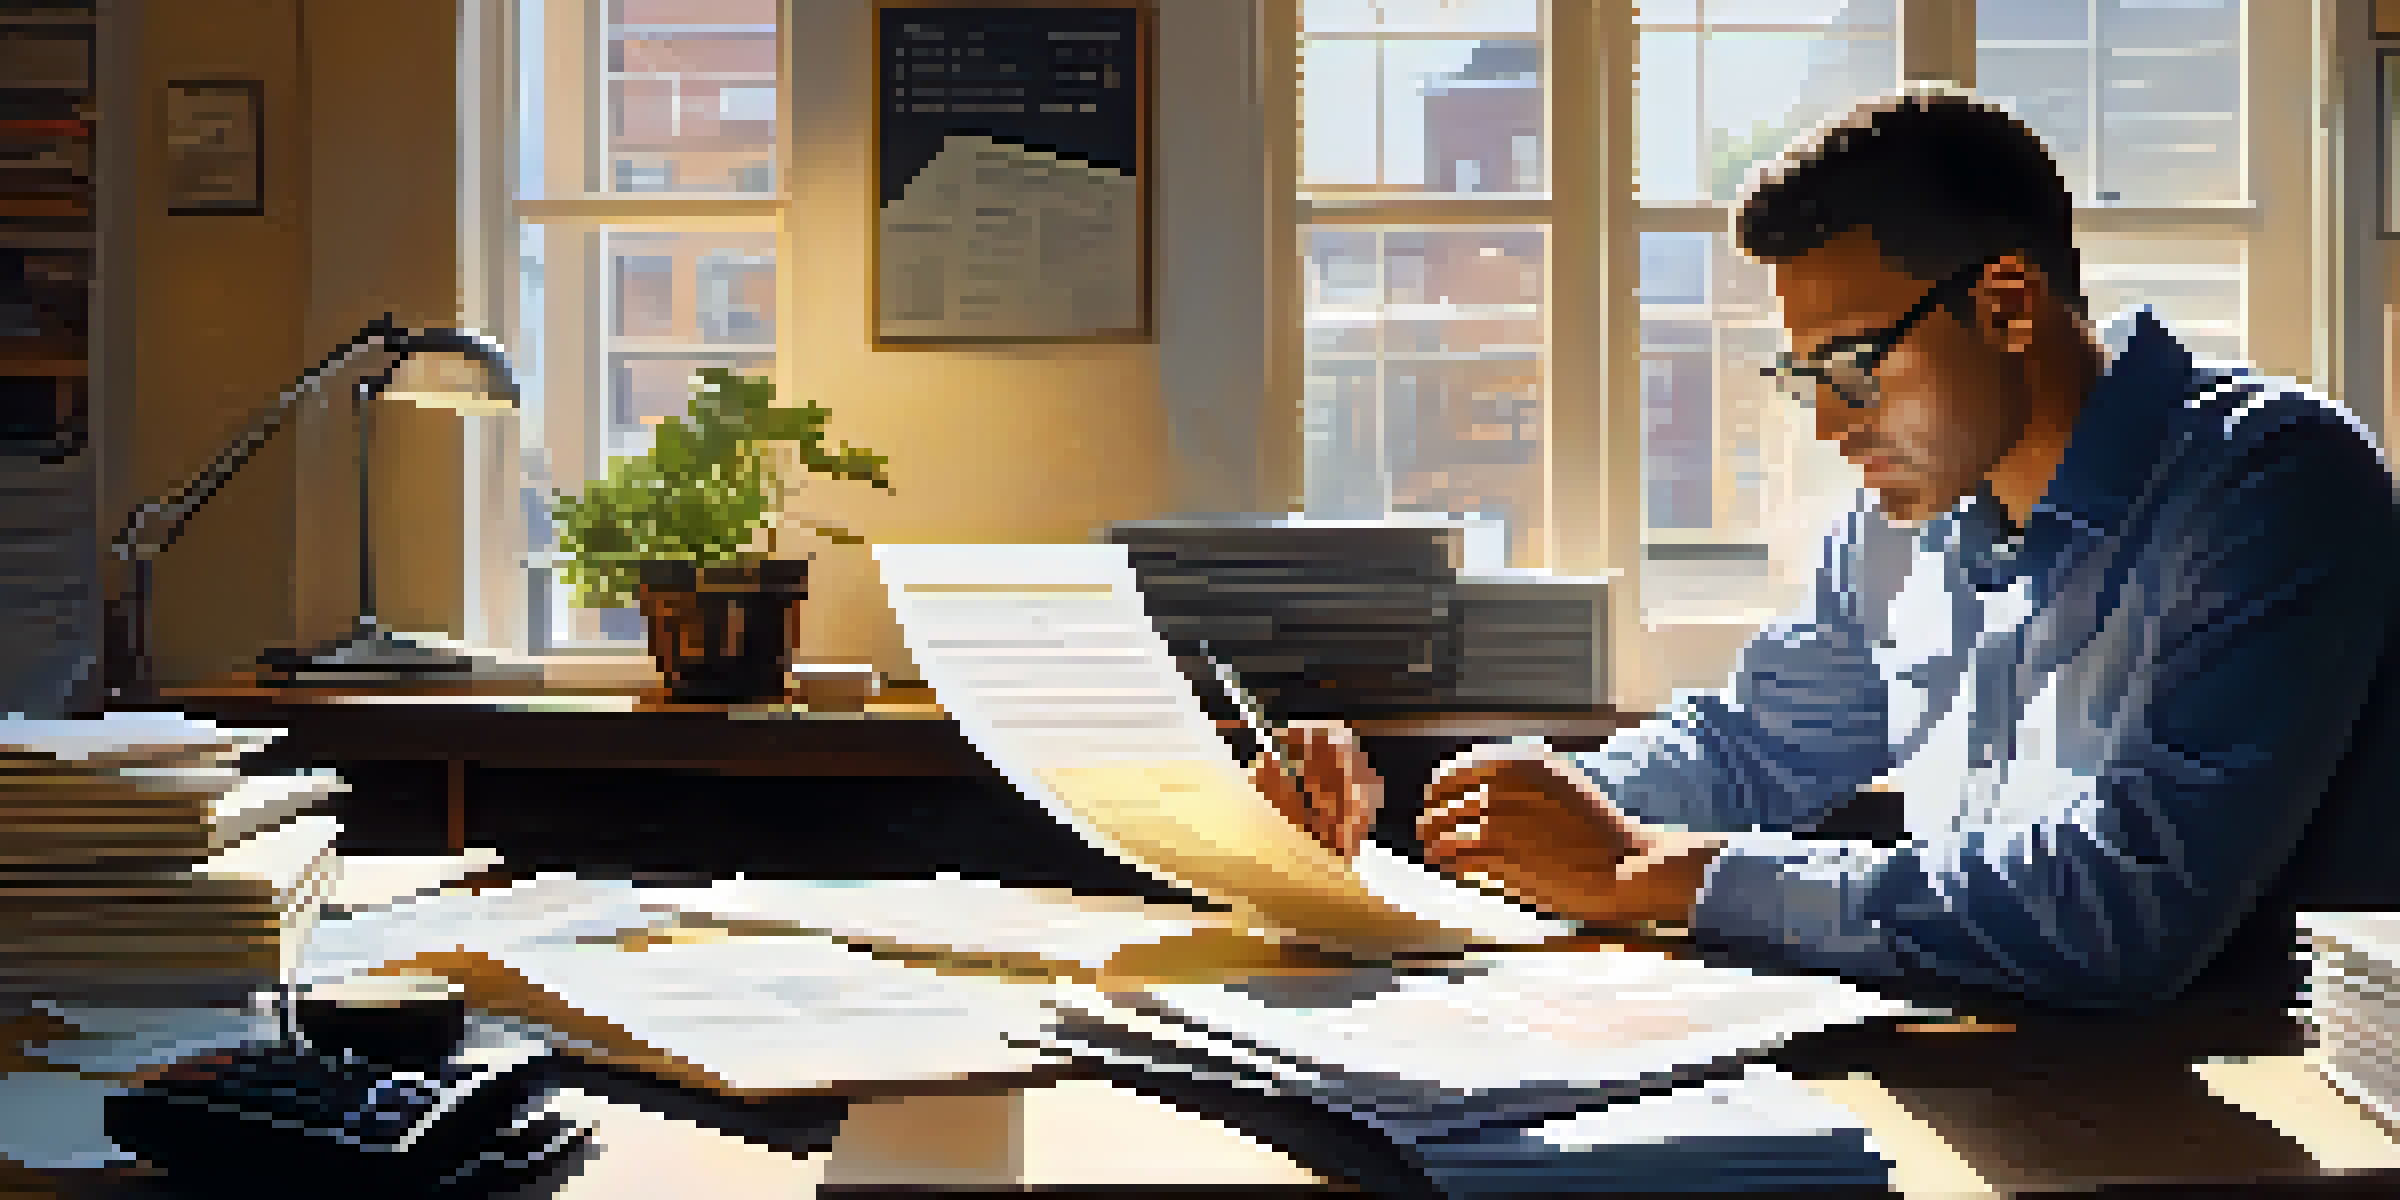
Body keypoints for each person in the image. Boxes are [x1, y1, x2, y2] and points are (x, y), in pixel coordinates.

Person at [1254, 88, 2400, 1016]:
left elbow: (2127, 909)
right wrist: (1462, 820)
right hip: (2015, 1076)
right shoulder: (1903, 526)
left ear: (2007, 305)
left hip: (2260, 1111)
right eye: (1805, 378)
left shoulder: (2272, 481)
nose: (1828, 424)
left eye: (1853, 367)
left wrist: (1656, 873)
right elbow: (1751, 747)